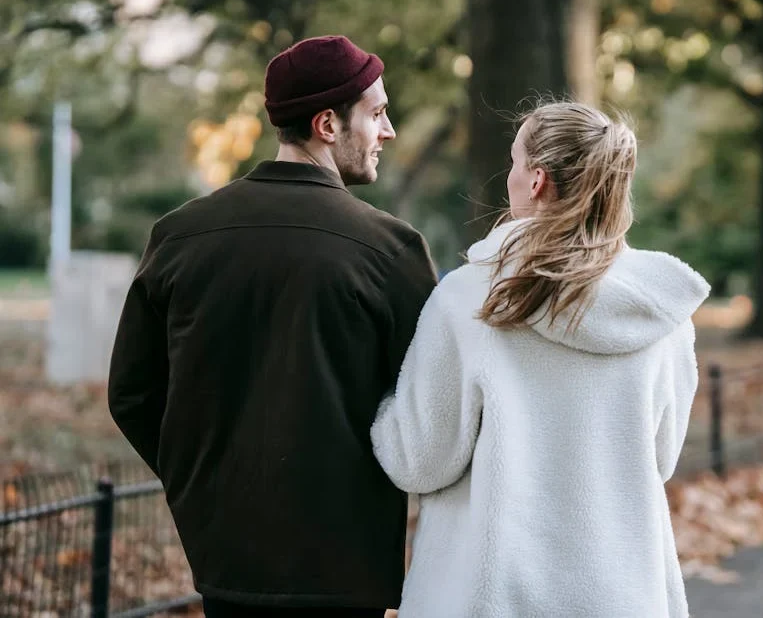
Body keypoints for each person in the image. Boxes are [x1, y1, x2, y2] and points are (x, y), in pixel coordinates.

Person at [108, 35, 437, 617]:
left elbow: (134, 394)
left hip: (224, 557)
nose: (388, 132)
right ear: (328, 124)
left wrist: (203, 479)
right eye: (379, 114)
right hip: (345, 564)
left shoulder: (179, 236)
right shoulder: (390, 250)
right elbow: (429, 407)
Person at [371, 101, 710, 617]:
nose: (507, 175)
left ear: (536, 181)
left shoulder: (474, 300)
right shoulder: (660, 314)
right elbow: (659, 459)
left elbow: (419, 460)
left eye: (513, 162)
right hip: (622, 595)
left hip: (493, 597)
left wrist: (380, 411)